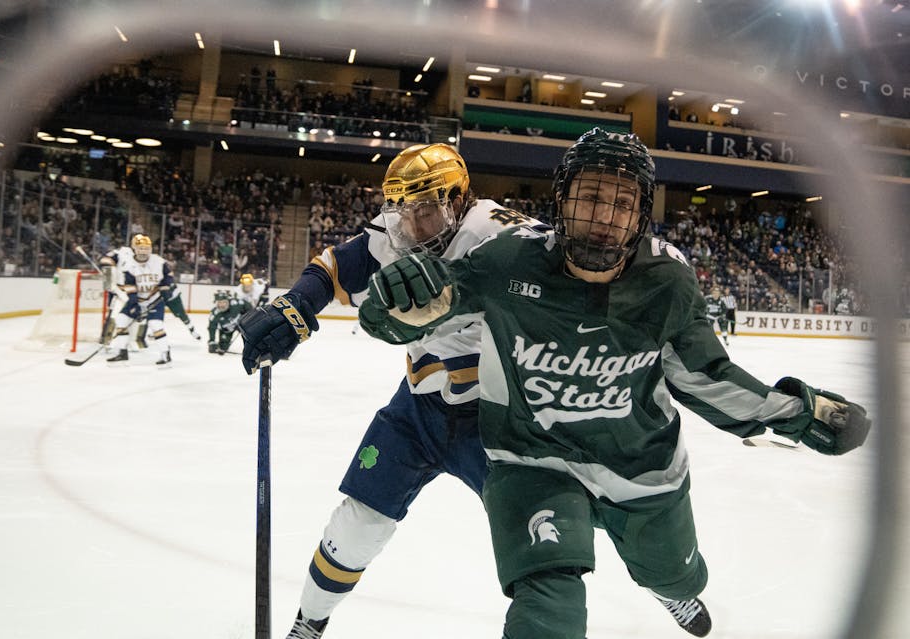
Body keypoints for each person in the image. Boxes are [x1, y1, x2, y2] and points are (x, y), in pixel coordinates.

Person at [357, 128, 871, 639]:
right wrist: (391, 303)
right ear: (562, 200)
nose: (605, 215)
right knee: (547, 607)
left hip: (641, 468)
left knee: (674, 573)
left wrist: (802, 413)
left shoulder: (665, 281)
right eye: (591, 197)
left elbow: (705, 377)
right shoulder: (508, 259)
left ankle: (669, 589)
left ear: (641, 214)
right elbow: (430, 306)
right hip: (534, 461)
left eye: (623, 203)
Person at [236, 143, 533, 638]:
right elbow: (333, 266)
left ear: (458, 199)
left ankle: (663, 579)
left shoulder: (501, 235)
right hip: (418, 410)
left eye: (426, 211)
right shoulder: (398, 231)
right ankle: (308, 625)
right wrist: (295, 307)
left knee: (537, 539)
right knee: (357, 524)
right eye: (403, 211)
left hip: (497, 420)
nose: (412, 226)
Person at [106, 234, 175, 366]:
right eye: (140, 248)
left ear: (150, 249)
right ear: (134, 249)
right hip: (138, 300)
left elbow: (169, 275)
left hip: (155, 300)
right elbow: (130, 288)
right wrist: (134, 306)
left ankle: (165, 354)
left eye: (146, 248)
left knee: (156, 325)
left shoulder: (159, 261)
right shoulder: (128, 265)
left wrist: (166, 287)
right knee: (121, 320)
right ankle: (122, 352)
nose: (143, 251)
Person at [207, 290, 247, 355]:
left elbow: (248, 306)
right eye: (219, 302)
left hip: (242, 324)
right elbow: (212, 327)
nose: (222, 305)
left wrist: (248, 317)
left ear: (228, 301)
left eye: (224, 302)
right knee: (223, 347)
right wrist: (212, 341)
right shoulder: (215, 313)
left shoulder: (236, 304)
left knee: (251, 336)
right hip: (227, 330)